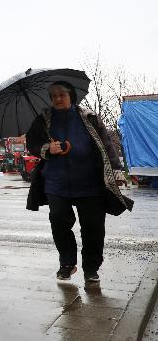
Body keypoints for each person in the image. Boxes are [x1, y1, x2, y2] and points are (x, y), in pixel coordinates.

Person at [26, 80, 133, 284]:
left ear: (71, 96)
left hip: (89, 182)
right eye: (53, 96)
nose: (57, 99)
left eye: (62, 95)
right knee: (58, 221)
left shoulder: (89, 117)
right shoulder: (43, 120)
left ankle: (91, 268)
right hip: (56, 181)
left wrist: (116, 171)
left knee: (93, 227)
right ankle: (67, 263)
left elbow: (106, 144)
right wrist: (47, 148)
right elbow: (31, 143)